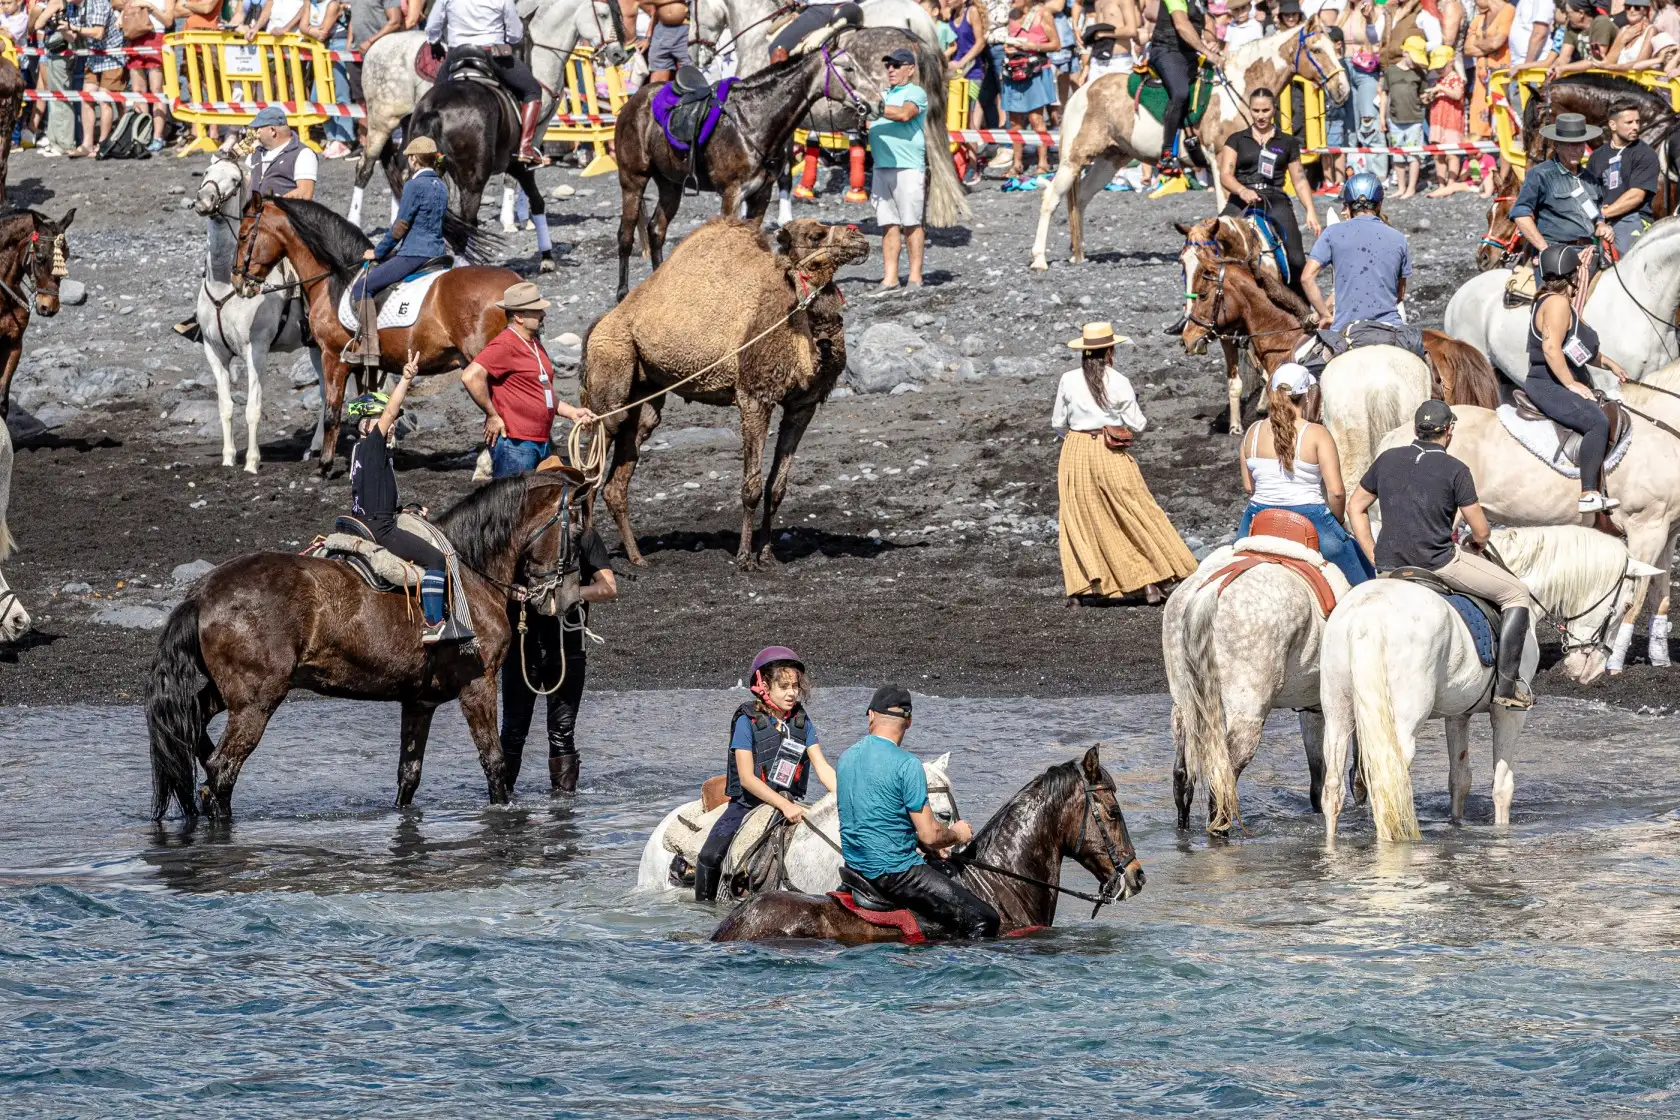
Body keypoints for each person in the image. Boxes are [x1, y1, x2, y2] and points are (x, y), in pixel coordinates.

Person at [1347, 400, 1536, 710]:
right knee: (1516, 593)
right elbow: (1482, 531)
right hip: (1438, 563)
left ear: (1415, 429)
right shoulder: (1456, 469)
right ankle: (1507, 686)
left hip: (1389, 566)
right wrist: (1475, 542)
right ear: (1449, 431)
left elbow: (1355, 506)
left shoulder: (1387, 459)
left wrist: (1372, 553)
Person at [836, 686, 997, 940]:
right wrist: (957, 834)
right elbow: (931, 834)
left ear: (871, 715)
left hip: (855, 867)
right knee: (986, 920)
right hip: (895, 874)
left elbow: (875, 818)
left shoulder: (846, 758)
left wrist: (924, 845)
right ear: (909, 722)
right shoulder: (908, 765)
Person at [1054, 322, 1198, 606]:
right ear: (1110, 351)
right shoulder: (1119, 381)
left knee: (1079, 518)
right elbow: (1138, 423)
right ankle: (1150, 582)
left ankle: (1080, 590)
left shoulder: (1068, 379)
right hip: (1108, 449)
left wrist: (1077, 437)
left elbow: (1058, 422)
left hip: (1075, 450)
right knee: (1133, 510)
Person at [694, 648, 838, 902]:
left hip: (790, 802)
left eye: (795, 686)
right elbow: (747, 778)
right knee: (710, 855)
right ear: (763, 686)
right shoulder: (746, 721)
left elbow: (822, 766)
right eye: (784, 686)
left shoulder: (802, 721)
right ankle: (703, 910)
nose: (792, 693)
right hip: (747, 804)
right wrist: (783, 805)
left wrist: (845, 795)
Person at [345, 350, 464, 645]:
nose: (391, 424)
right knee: (436, 559)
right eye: (381, 420)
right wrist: (407, 379)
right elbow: (390, 411)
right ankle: (434, 623)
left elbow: (373, 493)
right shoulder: (372, 444)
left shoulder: (361, 451)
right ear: (365, 425)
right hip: (381, 529)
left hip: (366, 520)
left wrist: (404, 510)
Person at [1238, 363, 1372, 586]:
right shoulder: (1317, 433)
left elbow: (1249, 487)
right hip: (1309, 518)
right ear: (1307, 396)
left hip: (1258, 516)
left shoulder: (1252, 432)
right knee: (1364, 580)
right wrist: (1338, 522)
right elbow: (1336, 493)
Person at [1527, 243, 1631, 513]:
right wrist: (1571, 384)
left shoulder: (1560, 304)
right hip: (1547, 383)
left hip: (1555, 379)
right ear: (1572, 275)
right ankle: (1588, 493)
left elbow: (1574, 349)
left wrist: (1608, 364)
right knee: (1597, 422)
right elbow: (1551, 349)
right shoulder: (1557, 303)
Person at [461, 281, 598, 476]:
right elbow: (470, 376)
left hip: (539, 442)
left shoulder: (534, 344)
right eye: (536, 311)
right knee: (516, 496)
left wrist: (572, 412)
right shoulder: (505, 344)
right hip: (515, 444)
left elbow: (540, 393)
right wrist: (492, 415)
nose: (543, 314)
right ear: (519, 316)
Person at [348, 135, 449, 365]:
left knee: (363, 287)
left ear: (414, 159)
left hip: (415, 253)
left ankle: (370, 346)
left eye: (409, 158)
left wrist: (378, 252)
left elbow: (400, 226)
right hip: (438, 253)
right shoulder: (441, 186)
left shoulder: (414, 185)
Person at [1219, 86, 1320, 291]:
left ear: (1274, 109)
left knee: (1296, 258)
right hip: (1241, 196)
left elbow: (1300, 180)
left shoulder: (1287, 142)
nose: (1260, 116)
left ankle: (1299, 302)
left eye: (1265, 110)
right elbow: (1225, 175)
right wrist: (1242, 191)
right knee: (1215, 239)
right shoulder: (1236, 139)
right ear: (1250, 110)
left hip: (1274, 198)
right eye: (1256, 110)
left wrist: (1310, 210)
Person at [425, 0, 547, 164]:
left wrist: (434, 42)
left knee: (434, 98)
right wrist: (506, 40)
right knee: (532, 90)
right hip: (493, 52)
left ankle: (427, 148)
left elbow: (432, 26)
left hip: (457, 53)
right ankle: (525, 148)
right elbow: (515, 34)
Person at [1301, 172, 1413, 340]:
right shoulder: (1398, 238)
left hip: (1346, 330)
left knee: (1301, 354)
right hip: (1391, 329)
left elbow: (1306, 278)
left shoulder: (1332, 233)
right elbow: (1399, 295)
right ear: (1379, 204)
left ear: (1348, 205)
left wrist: (1324, 315)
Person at [1509, 112, 1602, 298]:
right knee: (1555, 306)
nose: (1576, 150)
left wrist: (1601, 223)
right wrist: (1545, 250)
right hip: (1556, 254)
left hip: (1591, 253)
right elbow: (1521, 214)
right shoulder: (1540, 174)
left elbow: (1595, 213)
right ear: (1557, 146)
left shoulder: (1590, 179)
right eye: (1570, 145)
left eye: (1580, 144)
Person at [866, 48, 929, 295]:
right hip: (881, 165)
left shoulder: (916, 93)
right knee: (888, 224)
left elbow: (905, 115)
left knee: (911, 222)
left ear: (910, 69)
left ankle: (915, 278)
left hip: (908, 166)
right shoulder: (883, 94)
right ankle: (890, 278)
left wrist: (875, 108)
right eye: (888, 65)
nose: (890, 69)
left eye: (896, 65)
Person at [1149, 0, 1222, 182]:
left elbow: (1208, 22)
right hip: (1166, 49)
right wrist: (1206, 51)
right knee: (1180, 92)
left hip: (1191, 53)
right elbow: (1181, 25)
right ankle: (1167, 154)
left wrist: (1212, 42)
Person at [1584, 99, 1658, 256]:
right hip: (1600, 220)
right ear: (1613, 125)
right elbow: (1588, 193)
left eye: (1637, 122)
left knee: (1621, 263)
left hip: (1633, 218)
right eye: (1629, 122)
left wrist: (1602, 214)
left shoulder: (1645, 154)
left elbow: (1636, 196)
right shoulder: (1596, 156)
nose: (1635, 127)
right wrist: (1597, 220)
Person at [1000, 1, 1061, 187]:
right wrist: (1008, 48)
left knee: (1036, 119)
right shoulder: (1012, 15)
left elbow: (1056, 44)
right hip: (1015, 70)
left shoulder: (1042, 14)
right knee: (1014, 121)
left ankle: (1043, 162)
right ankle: (1017, 163)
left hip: (1035, 70)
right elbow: (1010, 40)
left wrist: (1032, 45)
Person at [66, 0, 124, 158]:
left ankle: (103, 144)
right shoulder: (71, 7)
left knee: (104, 100)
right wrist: (63, 28)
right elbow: (72, 38)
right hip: (93, 56)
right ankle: (87, 144)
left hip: (112, 54)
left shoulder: (98, 2)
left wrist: (74, 28)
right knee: (86, 98)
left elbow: (98, 33)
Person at [301, 0, 355, 158]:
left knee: (341, 93)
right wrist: (311, 30)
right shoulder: (309, 3)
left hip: (337, 46)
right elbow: (303, 27)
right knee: (317, 97)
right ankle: (331, 137)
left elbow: (323, 31)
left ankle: (344, 139)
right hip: (321, 49)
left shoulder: (332, 4)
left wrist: (309, 30)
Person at [122, 0, 171, 154]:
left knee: (157, 90)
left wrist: (150, 6)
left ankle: (158, 136)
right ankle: (144, 133)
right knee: (138, 91)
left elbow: (168, 21)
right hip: (135, 36)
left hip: (156, 35)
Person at [1382, 37, 1428, 199]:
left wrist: (1426, 98)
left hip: (1414, 120)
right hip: (1395, 120)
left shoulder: (1419, 73)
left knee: (1413, 155)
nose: (1416, 62)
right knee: (1398, 156)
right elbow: (1385, 95)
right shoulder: (1391, 72)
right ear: (1404, 53)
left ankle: (1411, 187)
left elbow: (1422, 94)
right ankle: (1401, 187)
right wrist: (1382, 117)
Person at [245, 104, 318, 199]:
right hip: (251, 208)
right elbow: (244, 185)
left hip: (282, 208)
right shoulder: (254, 153)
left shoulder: (303, 154)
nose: (254, 134)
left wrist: (271, 204)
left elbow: (305, 193)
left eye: (257, 129)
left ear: (272, 131)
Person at [1546, 0, 1615, 77]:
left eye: (1568, 13)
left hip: (1613, 77)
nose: (1566, 16)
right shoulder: (1571, 26)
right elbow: (1564, 58)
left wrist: (1564, 68)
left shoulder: (1601, 23)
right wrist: (1554, 66)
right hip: (1590, 77)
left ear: (1581, 13)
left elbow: (1596, 60)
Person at [635, 0, 690, 85]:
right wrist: (648, 38)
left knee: (690, 71)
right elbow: (645, 2)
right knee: (658, 75)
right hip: (661, 29)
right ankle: (659, 93)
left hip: (685, 29)